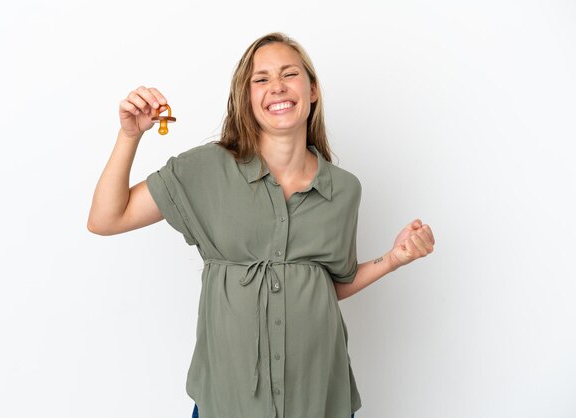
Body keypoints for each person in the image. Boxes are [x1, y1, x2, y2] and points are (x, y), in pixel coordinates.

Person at [87, 32, 435, 418]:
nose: (278, 87)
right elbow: (106, 218)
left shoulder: (344, 189)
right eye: (262, 79)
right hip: (228, 400)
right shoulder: (205, 170)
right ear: (246, 97)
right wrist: (129, 136)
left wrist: (393, 259)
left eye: (290, 74)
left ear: (313, 90)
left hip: (318, 399)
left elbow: (327, 285)